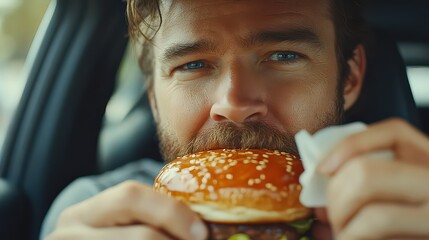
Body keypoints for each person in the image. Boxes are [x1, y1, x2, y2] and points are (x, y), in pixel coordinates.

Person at [43, 0, 429, 239]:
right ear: (154, 101)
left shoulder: (410, 209)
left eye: (283, 56)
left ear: (350, 78)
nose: (235, 103)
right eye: (193, 64)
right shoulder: (98, 215)